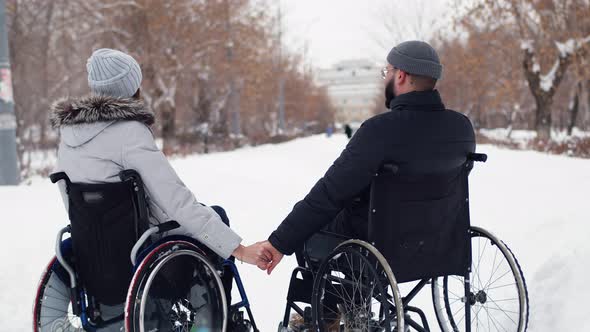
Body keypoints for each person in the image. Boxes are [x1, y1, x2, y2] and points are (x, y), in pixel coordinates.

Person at [50, 49, 270, 329]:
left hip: (94, 251)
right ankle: (216, 318)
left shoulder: (68, 136)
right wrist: (237, 249)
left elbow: (72, 203)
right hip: (139, 249)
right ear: (132, 87)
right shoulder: (129, 132)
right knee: (215, 214)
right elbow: (175, 200)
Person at [257, 40, 476, 274]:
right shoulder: (461, 127)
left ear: (400, 75)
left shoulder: (380, 130)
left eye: (386, 72)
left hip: (383, 243)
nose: (385, 78)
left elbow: (331, 193)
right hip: (440, 239)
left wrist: (280, 242)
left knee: (312, 226)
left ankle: (331, 309)